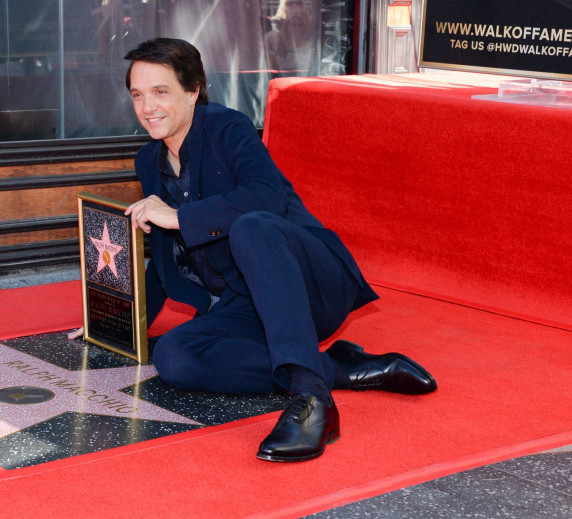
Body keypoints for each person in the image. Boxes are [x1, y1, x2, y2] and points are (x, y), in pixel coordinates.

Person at [72, 37, 436, 462]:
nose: (147, 106)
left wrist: (181, 217)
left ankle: (312, 400)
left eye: (161, 91)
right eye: (137, 94)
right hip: (244, 301)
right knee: (175, 358)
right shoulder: (147, 161)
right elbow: (163, 250)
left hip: (306, 282)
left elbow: (267, 198)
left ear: (193, 91)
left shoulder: (227, 128)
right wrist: (119, 319)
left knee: (252, 226)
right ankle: (337, 367)